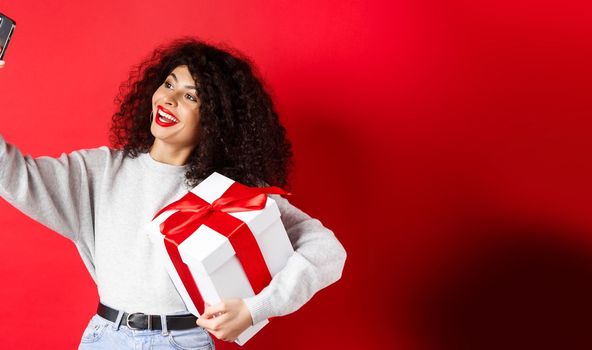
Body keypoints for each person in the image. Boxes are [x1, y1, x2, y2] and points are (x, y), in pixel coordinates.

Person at [0, 38, 347, 349]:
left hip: (182, 342)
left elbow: (327, 251)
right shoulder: (100, 171)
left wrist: (255, 309)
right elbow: (14, 175)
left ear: (213, 119)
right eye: (168, 84)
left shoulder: (230, 193)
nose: (168, 99)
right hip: (105, 337)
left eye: (190, 96)